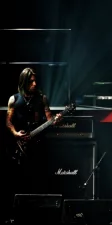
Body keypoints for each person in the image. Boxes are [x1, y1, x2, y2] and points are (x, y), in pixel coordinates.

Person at [3, 68, 62, 220]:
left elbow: (50, 119)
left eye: (35, 81)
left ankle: (39, 215)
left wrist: (55, 120)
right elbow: (8, 121)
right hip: (19, 147)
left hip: (38, 145)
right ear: (24, 82)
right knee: (18, 179)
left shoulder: (42, 98)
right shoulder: (14, 99)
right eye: (31, 81)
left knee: (39, 179)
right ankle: (16, 214)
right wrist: (15, 133)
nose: (34, 84)